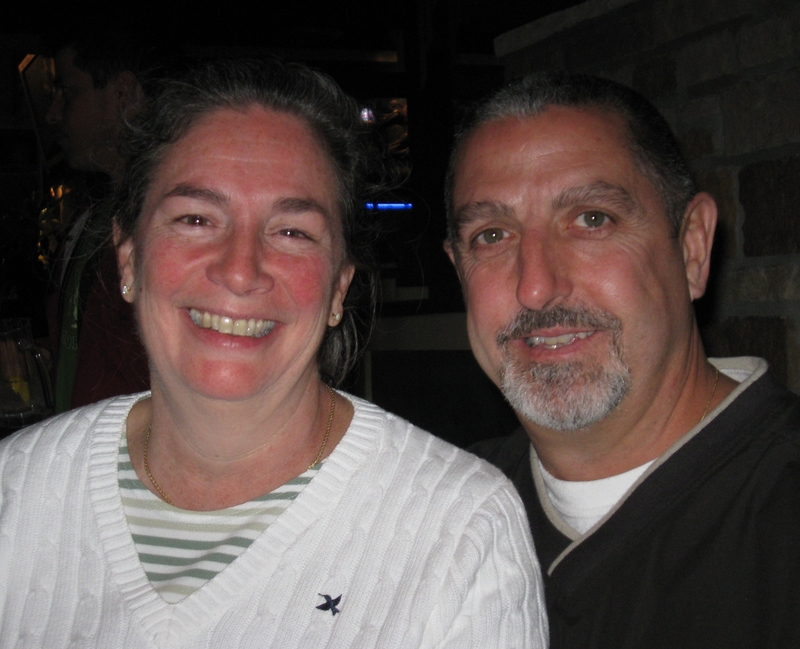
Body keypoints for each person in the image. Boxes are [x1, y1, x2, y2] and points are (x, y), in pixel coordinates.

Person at [0, 59, 548, 648]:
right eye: (196, 219)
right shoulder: (17, 488)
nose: (240, 271)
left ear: (338, 287)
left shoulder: (459, 530)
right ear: (129, 258)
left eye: (292, 232)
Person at [444, 71, 800, 648]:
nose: (535, 287)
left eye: (592, 219)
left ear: (692, 249)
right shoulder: (439, 511)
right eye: (492, 236)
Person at [45, 34, 151, 412]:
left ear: (122, 93)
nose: (53, 114)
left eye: (69, 92)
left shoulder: (166, 229)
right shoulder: (97, 216)